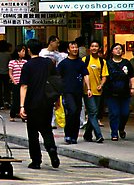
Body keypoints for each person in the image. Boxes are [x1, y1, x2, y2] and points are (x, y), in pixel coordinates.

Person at [19, 39, 60, 169]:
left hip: (32, 103)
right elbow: (55, 82)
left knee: (33, 133)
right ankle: (52, 150)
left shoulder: (27, 65)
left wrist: (21, 106)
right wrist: (57, 100)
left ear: (29, 50)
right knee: (47, 130)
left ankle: (36, 161)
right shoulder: (49, 63)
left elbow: (24, 86)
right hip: (47, 102)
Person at [56, 40, 90, 144]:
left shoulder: (81, 63)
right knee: (72, 111)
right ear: (68, 50)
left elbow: (86, 75)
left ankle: (73, 136)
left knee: (76, 113)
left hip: (78, 92)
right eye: (72, 48)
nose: (75, 50)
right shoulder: (63, 64)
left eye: (76, 48)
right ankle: (68, 134)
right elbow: (57, 78)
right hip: (67, 92)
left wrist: (88, 88)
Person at [104, 43, 134, 141]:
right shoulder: (107, 63)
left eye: (120, 49)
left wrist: (133, 87)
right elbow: (104, 76)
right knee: (114, 113)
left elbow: (132, 76)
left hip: (124, 92)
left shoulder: (126, 63)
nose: (118, 50)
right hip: (111, 92)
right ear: (112, 51)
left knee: (125, 113)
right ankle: (114, 133)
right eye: (116, 48)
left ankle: (121, 128)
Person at [81, 40, 108, 143]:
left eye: (96, 46)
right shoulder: (85, 60)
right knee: (93, 112)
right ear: (89, 48)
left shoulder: (102, 62)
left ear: (99, 48)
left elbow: (104, 76)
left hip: (98, 91)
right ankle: (98, 135)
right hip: (87, 91)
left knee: (93, 113)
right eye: (92, 46)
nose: (94, 48)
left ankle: (87, 134)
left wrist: (101, 85)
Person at [8, 44, 29, 122]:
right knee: (16, 99)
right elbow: (10, 73)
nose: (24, 53)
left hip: (23, 82)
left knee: (24, 99)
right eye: (22, 51)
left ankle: (24, 116)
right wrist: (14, 81)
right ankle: (12, 114)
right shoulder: (12, 62)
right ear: (18, 52)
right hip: (16, 83)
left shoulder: (25, 62)